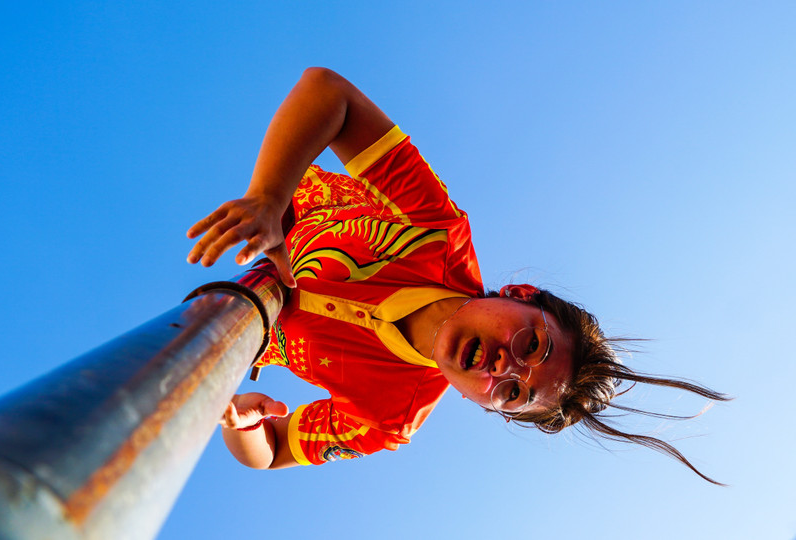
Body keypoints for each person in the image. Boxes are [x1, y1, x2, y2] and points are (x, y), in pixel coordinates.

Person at [186, 67, 728, 483]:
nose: (503, 367)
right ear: (520, 294)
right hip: (268, 214)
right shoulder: (436, 230)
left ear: (487, 406)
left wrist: (242, 424)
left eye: (512, 392)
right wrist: (268, 198)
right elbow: (328, 94)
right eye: (532, 344)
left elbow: (272, 452)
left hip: (226, 329)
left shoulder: (390, 417)